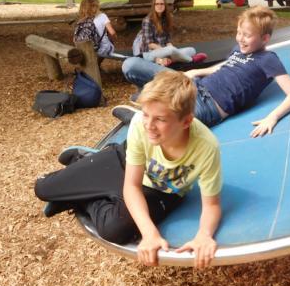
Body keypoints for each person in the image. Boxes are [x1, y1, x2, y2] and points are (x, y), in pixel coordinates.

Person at [90, 71, 223, 268]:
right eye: (146, 114)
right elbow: (132, 185)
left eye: (160, 119)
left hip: (161, 190)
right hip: (128, 163)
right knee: (45, 189)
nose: (149, 125)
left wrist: (204, 234)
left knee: (113, 229)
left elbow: (212, 205)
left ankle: (97, 182)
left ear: (186, 121)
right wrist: (149, 233)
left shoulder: (206, 146)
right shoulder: (140, 124)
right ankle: (91, 163)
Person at [121, 6, 290, 137]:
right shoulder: (238, 49)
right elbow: (223, 66)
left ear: (265, 38)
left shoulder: (268, 59)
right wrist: (196, 71)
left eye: (247, 35)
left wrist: (272, 118)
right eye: (239, 32)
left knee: (169, 128)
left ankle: (141, 116)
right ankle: (149, 101)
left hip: (209, 105)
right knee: (131, 65)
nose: (240, 39)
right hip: (193, 85)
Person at [132, 0, 205, 65]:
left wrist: (172, 50)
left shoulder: (167, 19)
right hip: (150, 53)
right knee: (171, 50)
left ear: (165, 6)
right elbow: (150, 44)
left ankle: (167, 60)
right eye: (157, 4)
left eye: (162, 4)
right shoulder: (147, 20)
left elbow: (168, 41)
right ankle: (191, 60)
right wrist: (167, 50)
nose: (159, 6)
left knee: (192, 50)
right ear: (153, 6)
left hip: (165, 51)